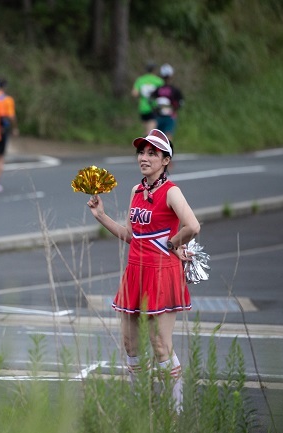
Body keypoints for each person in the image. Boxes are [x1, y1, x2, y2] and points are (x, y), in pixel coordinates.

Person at [86, 129, 200, 413]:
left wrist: (173, 243)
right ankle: (141, 408)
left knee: (160, 345)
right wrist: (101, 216)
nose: (144, 158)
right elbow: (130, 235)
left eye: (152, 153)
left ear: (165, 160)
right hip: (135, 272)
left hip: (161, 273)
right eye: (141, 152)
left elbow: (193, 226)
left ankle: (175, 413)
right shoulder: (136, 191)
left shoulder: (171, 191)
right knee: (130, 345)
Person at [0, 77, 19, 193]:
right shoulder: (7, 99)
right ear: (4, 87)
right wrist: (15, 128)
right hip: (2, 131)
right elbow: (11, 116)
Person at [151, 64, 184, 142]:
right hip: (170, 116)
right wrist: (174, 108)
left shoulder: (158, 89)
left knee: (159, 137)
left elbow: (151, 100)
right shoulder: (174, 90)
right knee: (168, 136)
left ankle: (162, 149)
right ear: (171, 76)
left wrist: (155, 109)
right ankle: (168, 149)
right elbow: (181, 102)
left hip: (160, 116)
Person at [131, 62, 164, 135]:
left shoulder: (140, 80)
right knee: (151, 132)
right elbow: (163, 93)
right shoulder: (158, 81)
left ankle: (145, 141)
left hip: (143, 107)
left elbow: (134, 93)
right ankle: (147, 142)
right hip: (153, 107)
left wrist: (142, 94)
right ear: (154, 70)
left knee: (146, 130)